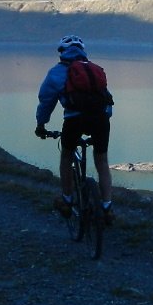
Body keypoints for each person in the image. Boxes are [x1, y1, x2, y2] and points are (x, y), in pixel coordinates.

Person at [34, 34, 115, 222]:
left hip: (74, 120)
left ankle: (67, 199)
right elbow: (107, 99)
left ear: (62, 52)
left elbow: (46, 101)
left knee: (66, 156)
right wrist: (103, 122)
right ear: (83, 51)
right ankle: (107, 207)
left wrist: (41, 125)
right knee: (102, 161)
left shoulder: (56, 72)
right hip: (101, 119)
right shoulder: (94, 71)